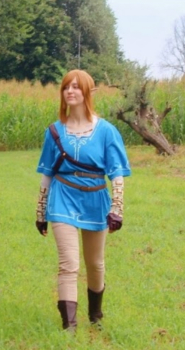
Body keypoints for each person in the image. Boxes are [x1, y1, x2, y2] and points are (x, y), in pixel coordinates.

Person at [34, 69, 130, 331]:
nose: (70, 91)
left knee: (95, 264)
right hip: (62, 197)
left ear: (88, 91)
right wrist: (41, 211)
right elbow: (47, 174)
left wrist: (117, 208)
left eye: (76, 87)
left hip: (95, 199)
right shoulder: (54, 132)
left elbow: (117, 173)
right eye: (66, 87)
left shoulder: (106, 131)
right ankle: (70, 327)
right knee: (69, 264)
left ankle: (95, 315)